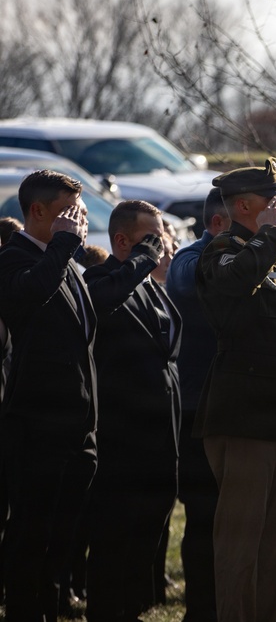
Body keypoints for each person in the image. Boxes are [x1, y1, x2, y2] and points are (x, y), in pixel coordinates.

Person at [195, 157, 276, 621]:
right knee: (240, 542)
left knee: (275, 545)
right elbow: (234, 285)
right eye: (273, 200)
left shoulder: (271, 251)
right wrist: (271, 236)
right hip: (244, 417)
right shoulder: (223, 250)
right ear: (244, 205)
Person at [0, 170, 97, 620]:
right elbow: (27, 297)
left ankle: (51, 609)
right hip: (38, 424)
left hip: (77, 427)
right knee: (32, 534)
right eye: (68, 213)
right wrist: (62, 246)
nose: (79, 222)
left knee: (62, 536)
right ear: (37, 212)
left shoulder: (65, 262)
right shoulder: (15, 257)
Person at [83, 200, 181, 622]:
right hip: (123, 438)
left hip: (161, 437)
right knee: (114, 539)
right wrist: (143, 259)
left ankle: (133, 608)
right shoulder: (101, 279)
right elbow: (104, 301)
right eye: (151, 238)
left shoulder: (149, 285)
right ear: (122, 241)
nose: (160, 247)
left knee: (147, 537)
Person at [166, 187, 229, 622]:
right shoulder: (191, 257)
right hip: (197, 408)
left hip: (238, 409)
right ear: (219, 223)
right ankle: (201, 610)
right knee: (204, 516)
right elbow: (187, 283)